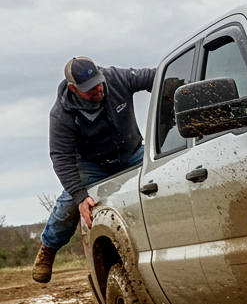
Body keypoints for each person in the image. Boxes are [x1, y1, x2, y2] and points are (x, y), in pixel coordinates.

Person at [33, 56, 157, 283]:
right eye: (89, 89)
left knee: (159, 177)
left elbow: (155, 77)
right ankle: (48, 248)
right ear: (73, 88)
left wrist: (178, 86)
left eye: (98, 83)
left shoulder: (116, 78)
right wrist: (80, 196)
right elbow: (62, 158)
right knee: (71, 204)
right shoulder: (61, 115)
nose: (98, 89)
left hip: (130, 153)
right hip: (92, 164)